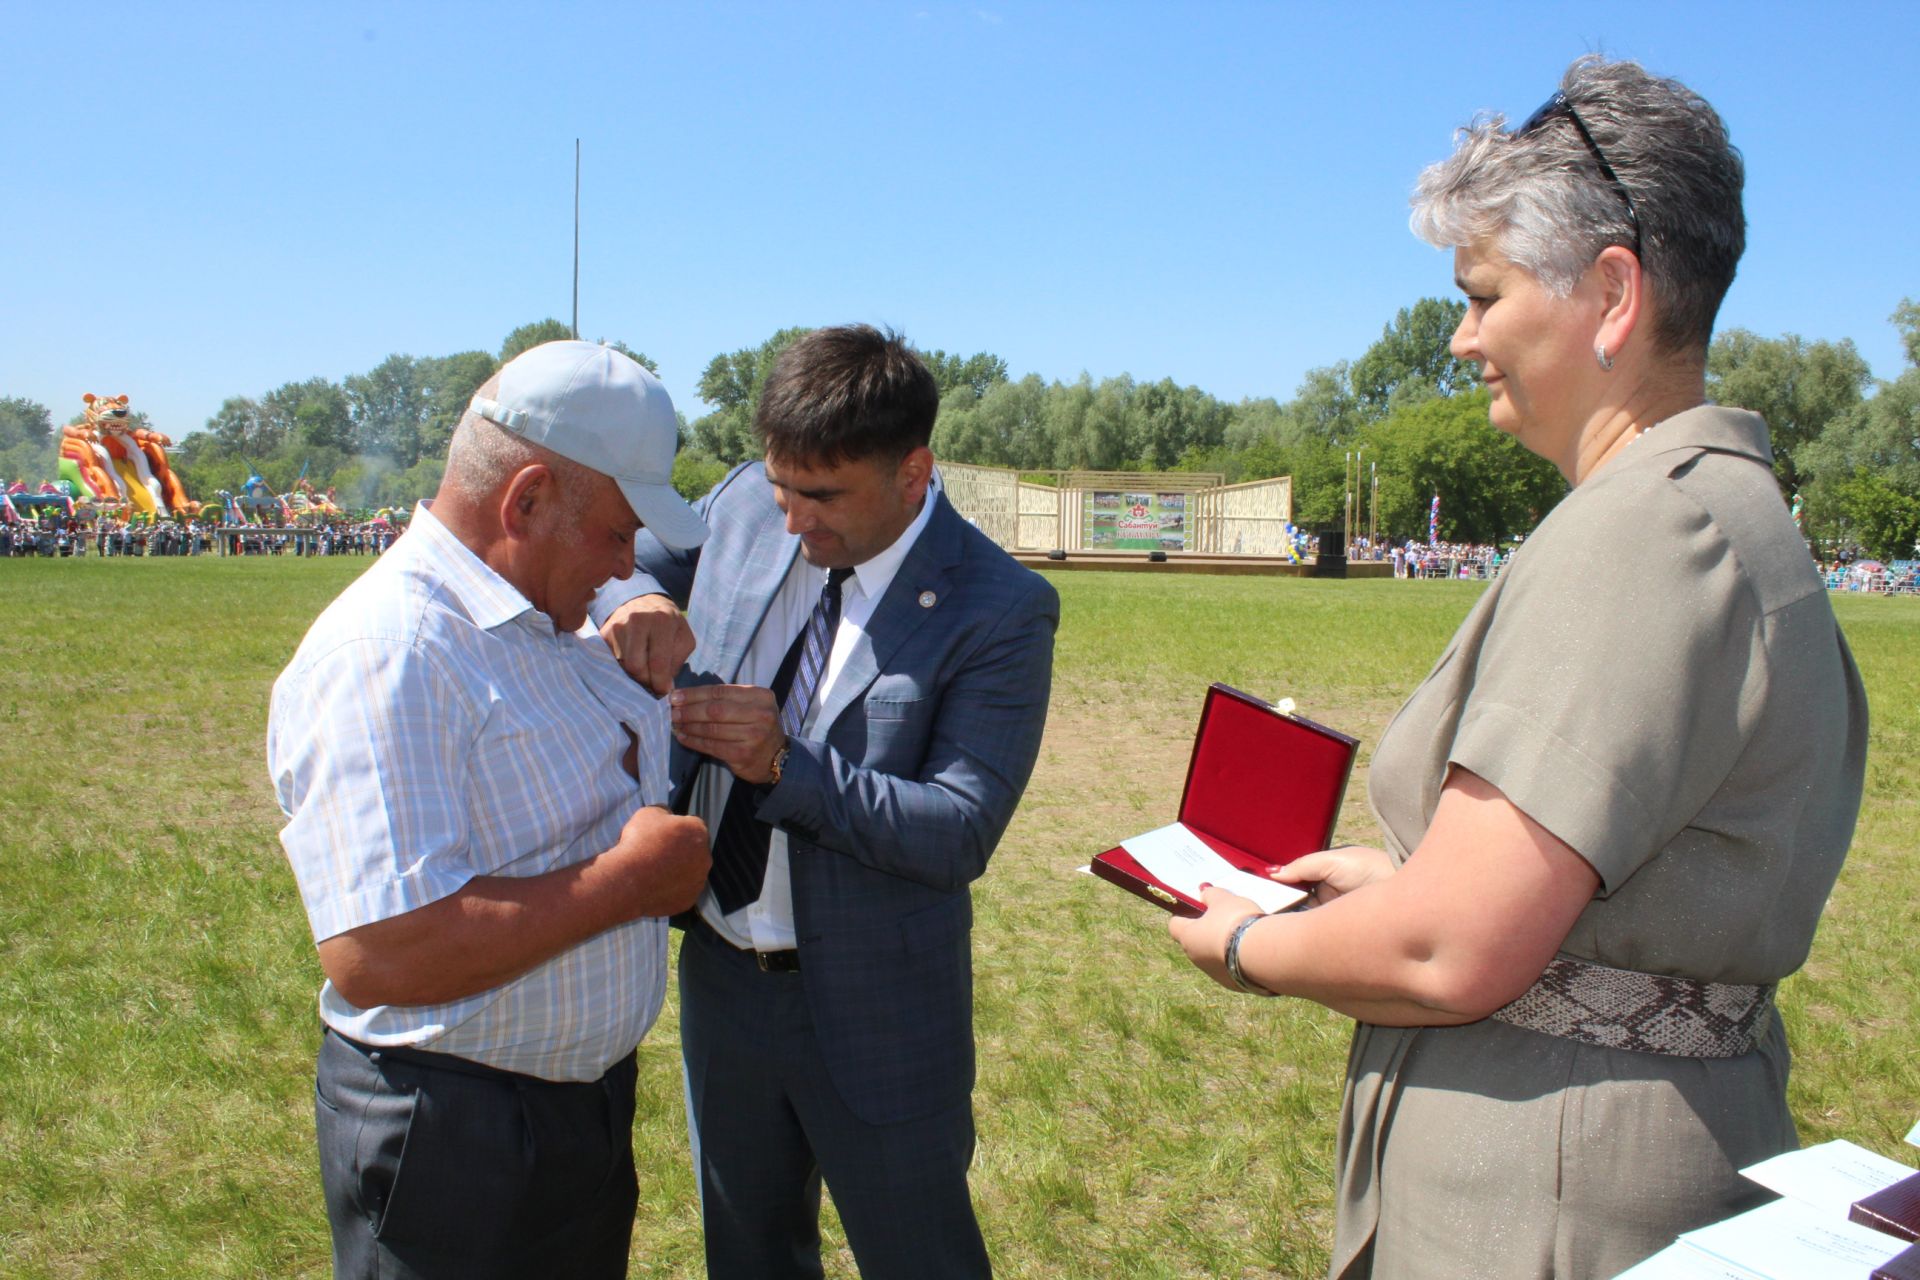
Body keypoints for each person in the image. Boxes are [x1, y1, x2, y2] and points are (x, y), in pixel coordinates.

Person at [1169, 56, 1868, 1280]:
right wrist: (1408, 875)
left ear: (1611, 294)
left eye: (1483, 292)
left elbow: (1453, 951)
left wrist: (1239, 940)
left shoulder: (1652, 525)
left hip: (1552, 1185)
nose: (1461, 334)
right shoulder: (1710, 508)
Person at [593, 324, 1059, 1279]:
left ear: (915, 472)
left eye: (824, 497)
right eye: (781, 488)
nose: (794, 522)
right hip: (724, 980)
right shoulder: (745, 503)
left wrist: (783, 766)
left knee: (919, 1255)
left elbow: (958, 829)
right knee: (750, 1255)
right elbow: (628, 557)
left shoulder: (999, 607)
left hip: (877, 1006)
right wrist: (632, 599)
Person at [267, 340, 713, 1279]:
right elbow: (380, 951)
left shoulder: (542, 618)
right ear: (528, 500)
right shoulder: (393, 649)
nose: (631, 566)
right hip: (456, 1136)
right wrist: (627, 883)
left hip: (561, 1119)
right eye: (619, 535)